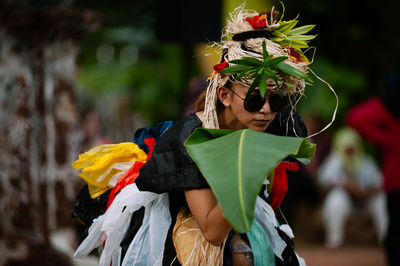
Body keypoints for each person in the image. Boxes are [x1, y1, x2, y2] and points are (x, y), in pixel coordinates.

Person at [71, 4, 326, 266]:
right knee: (229, 257)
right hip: (188, 215)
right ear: (225, 95)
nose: (266, 110)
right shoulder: (189, 139)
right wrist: (250, 169)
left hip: (239, 204)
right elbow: (212, 231)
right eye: (254, 99)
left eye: (278, 101)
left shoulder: (271, 116)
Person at [318, 127, 387, 249]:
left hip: (366, 203)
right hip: (346, 206)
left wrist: (363, 191)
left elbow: (381, 185)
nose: (350, 151)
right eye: (346, 148)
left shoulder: (366, 162)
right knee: (336, 199)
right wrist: (345, 186)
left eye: (352, 147)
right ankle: (334, 241)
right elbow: (323, 181)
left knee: (381, 201)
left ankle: (386, 239)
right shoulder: (334, 161)